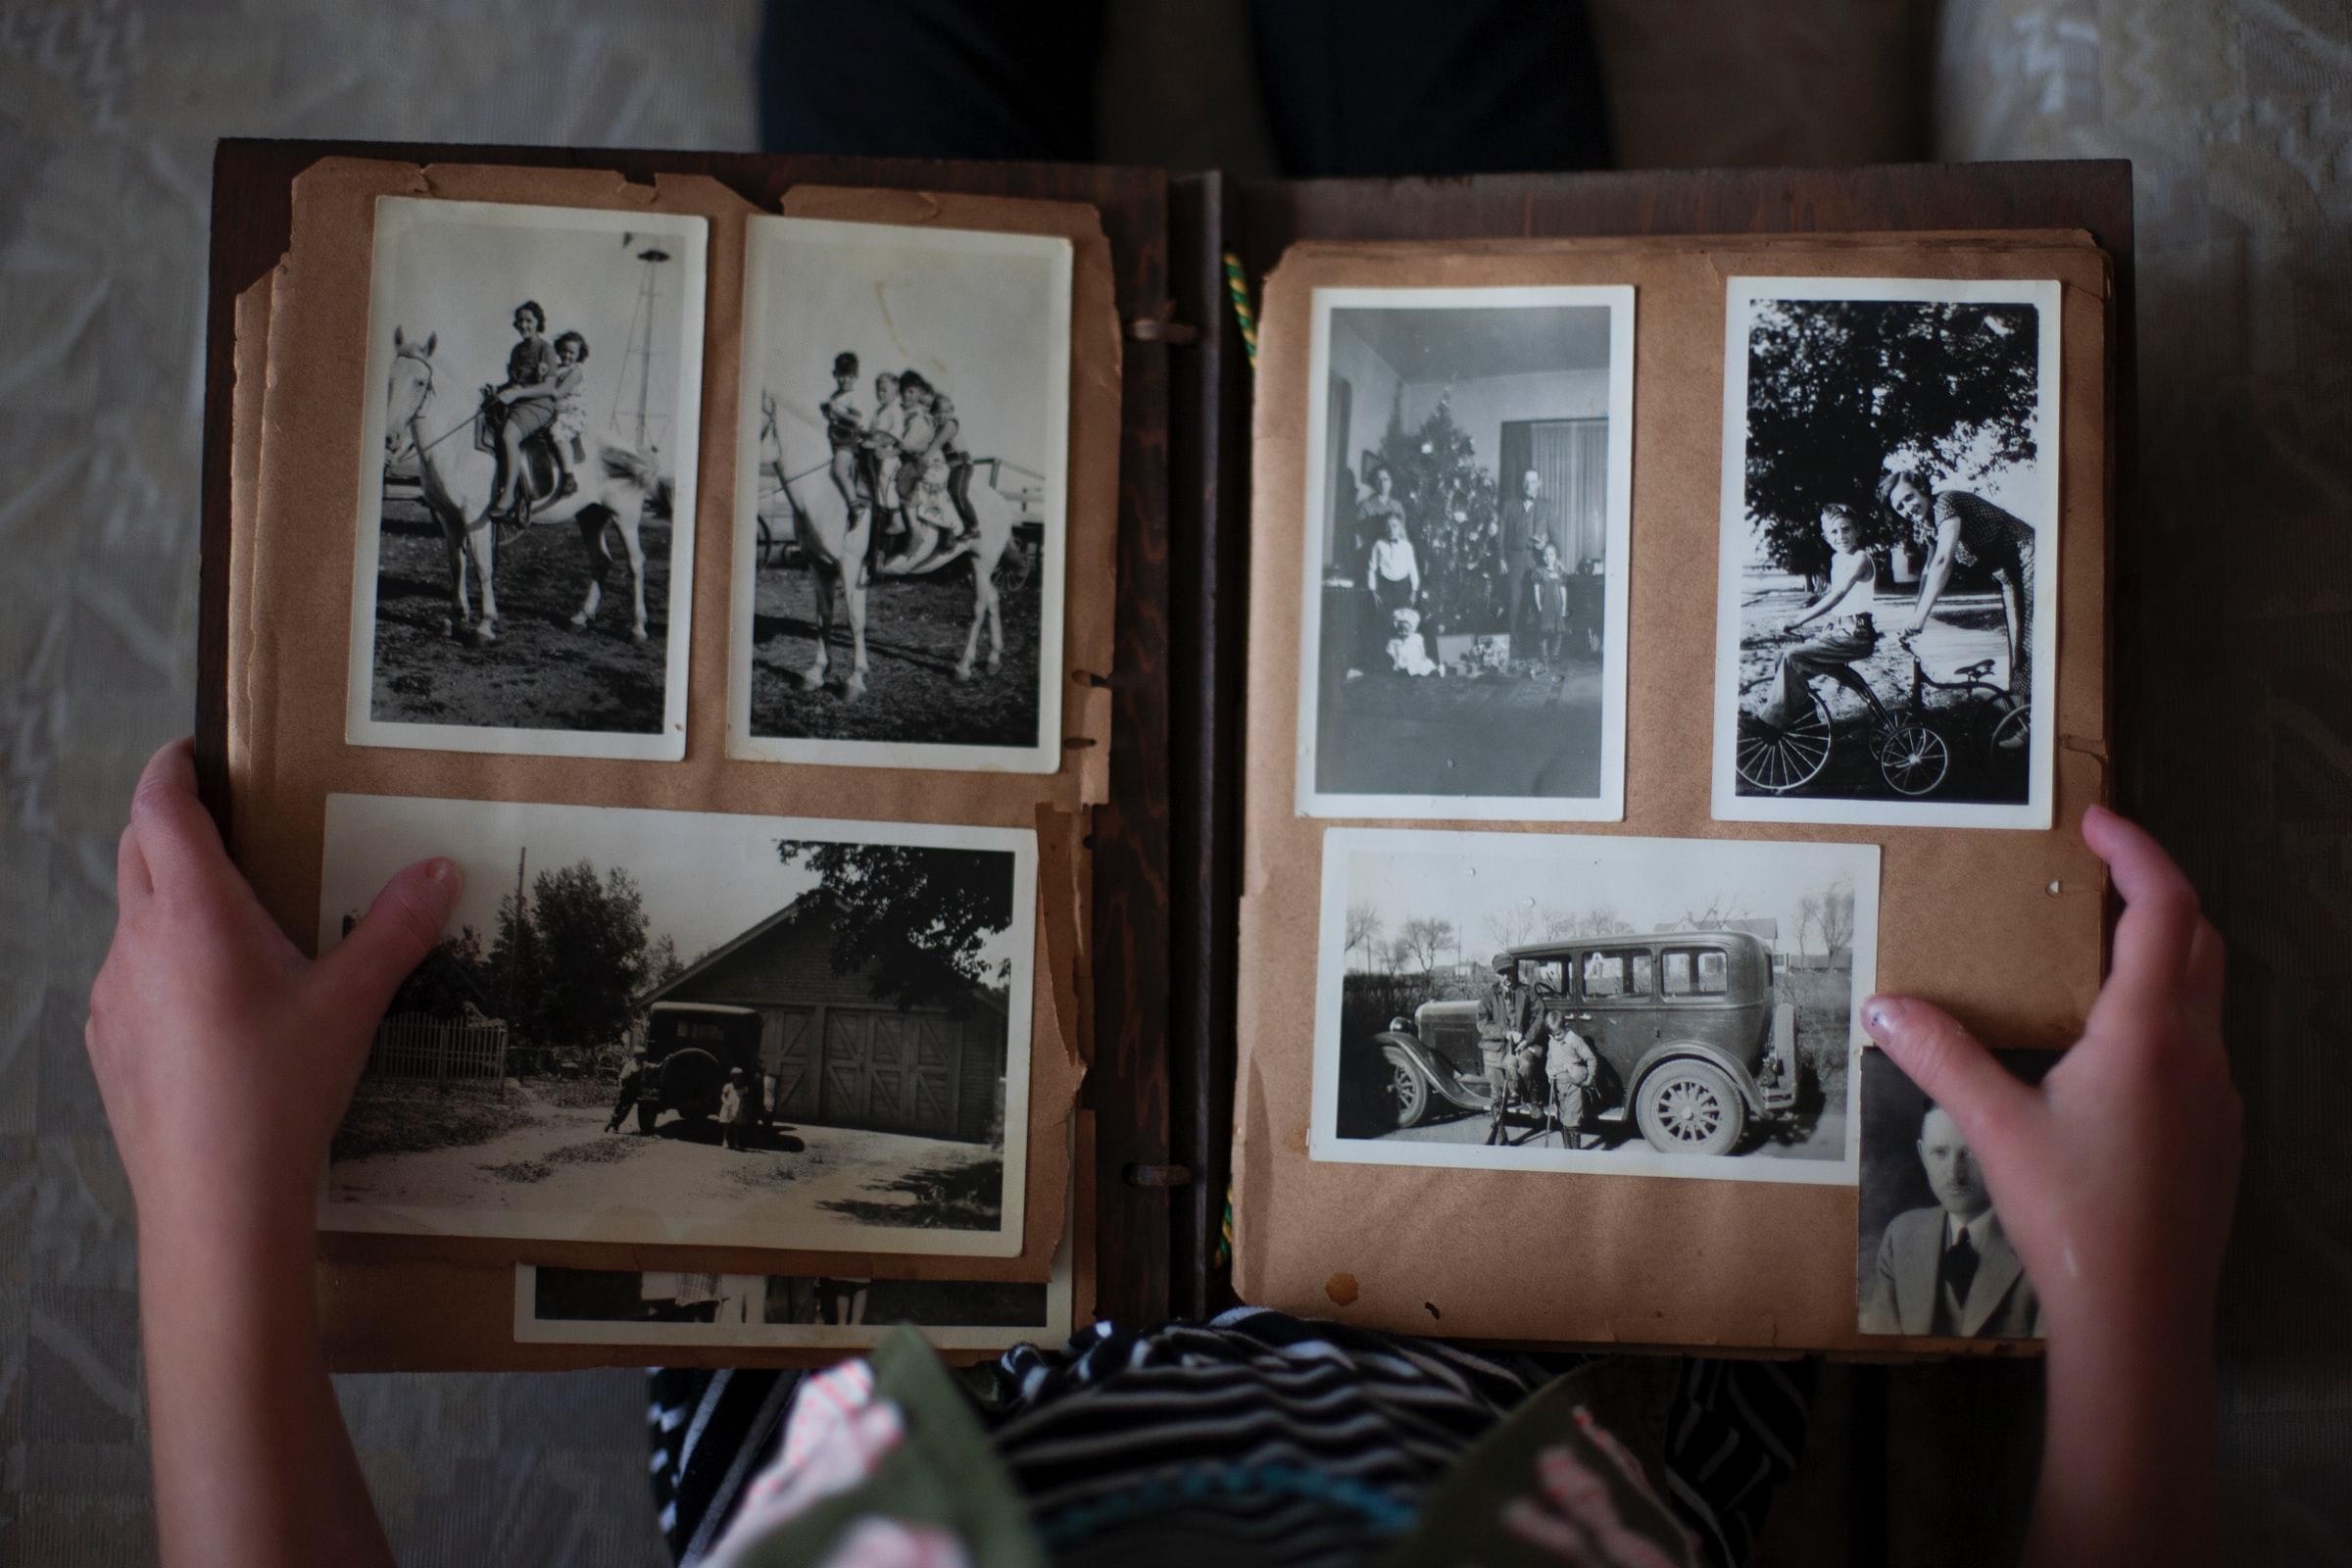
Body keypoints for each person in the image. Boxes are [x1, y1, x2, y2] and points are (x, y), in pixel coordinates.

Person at [84, 739, 2239, 1566]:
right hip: (1533, 1336)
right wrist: (2130, 1316)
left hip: (870, 1357)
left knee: (895, 104)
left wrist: (211, 1210)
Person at [1861, 1102, 2042, 1339]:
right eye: (1939, 1153)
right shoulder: (1901, 1235)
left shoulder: (2041, 1248)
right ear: (1923, 1155)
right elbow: (1880, 1347)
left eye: (1971, 1153)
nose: (1954, 1174)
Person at [1878, 467, 2037, 706]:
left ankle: (2036, 719)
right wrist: (1914, 615)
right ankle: (2026, 721)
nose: (1907, 508)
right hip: (2008, 574)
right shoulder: (1928, 525)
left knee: (2031, 640)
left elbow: (1944, 560)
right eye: (1899, 507)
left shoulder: (1945, 503)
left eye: (1909, 497)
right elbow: (1929, 569)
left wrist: (1921, 617)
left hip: (2030, 556)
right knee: (2018, 646)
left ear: (1921, 489)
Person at [1759, 502, 1884, 727]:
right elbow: (1837, 604)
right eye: (1834, 532)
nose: (1841, 536)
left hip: (1856, 636)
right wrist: (1824, 625)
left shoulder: (1861, 558)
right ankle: (1805, 718)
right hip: (1838, 632)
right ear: (1826, 537)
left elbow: (1838, 595)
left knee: (1792, 656)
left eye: (1847, 529)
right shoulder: (1837, 560)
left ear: (1857, 531)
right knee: (1781, 657)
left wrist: (1797, 620)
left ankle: (1771, 722)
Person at [485, 300, 559, 520]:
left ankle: (508, 496)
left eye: (529, 320)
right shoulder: (517, 350)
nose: (524, 324)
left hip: (540, 404)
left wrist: (516, 393)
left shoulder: (546, 349)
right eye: (520, 321)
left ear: (538, 323)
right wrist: (497, 390)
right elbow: (514, 383)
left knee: (509, 435)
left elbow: (549, 387)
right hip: (518, 402)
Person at [1499, 467, 1553, 646]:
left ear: (1539, 484)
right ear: (1522, 484)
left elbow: (1554, 536)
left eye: (1533, 481)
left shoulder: (1546, 506)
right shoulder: (1509, 505)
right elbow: (1500, 535)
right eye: (1526, 481)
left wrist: (1547, 549)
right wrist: (1501, 558)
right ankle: (1514, 644)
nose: (1529, 485)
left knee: (1537, 601)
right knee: (1515, 601)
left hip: (1537, 561)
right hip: (1515, 559)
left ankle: (1538, 645)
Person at [818, 350, 865, 514]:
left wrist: (836, 412)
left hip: (847, 440)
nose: (845, 380)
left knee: (839, 469)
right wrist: (827, 412)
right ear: (835, 375)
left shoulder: (853, 397)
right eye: (842, 375)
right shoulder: (835, 395)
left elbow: (856, 420)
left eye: (850, 376)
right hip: (834, 437)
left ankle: (855, 505)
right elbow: (833, 417)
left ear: (856, 376)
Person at [546, 329, 590, 499]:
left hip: (569, 413)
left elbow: (558, 393)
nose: (567, 355)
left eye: (572, 352)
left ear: (579, 355)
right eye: (564, 351)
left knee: (557, 433)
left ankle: (568, 477)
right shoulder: (556, 368)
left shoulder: (574, 372)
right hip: (554, 410)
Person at [1364, 511, 1420, 619]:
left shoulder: (1406, 546)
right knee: (1385, 618)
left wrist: (1414, 590)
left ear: (1400, 528)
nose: (1391, 529)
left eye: (1394, 526)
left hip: (1402, 587)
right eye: (1388, 526)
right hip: (1385, 587)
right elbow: (1371, 568)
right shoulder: (1378, 545)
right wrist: (1373, 590)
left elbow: (1412, 568)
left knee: (1402, 618)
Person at [1530, 540, 1570, 663]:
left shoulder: (1560, 572)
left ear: (1556, 556)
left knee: (1559, 632)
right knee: (1544, 632)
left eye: (1551, 554)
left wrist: (1564, 607)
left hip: (1557, 606)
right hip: (1545, 606)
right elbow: (1536, 590)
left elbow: (1563, 590)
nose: (1548, 557)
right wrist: (1538, 605)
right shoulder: (1539, 572)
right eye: (1546, 555)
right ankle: (1544, 656)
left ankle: (1554, 654)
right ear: (1543, 557)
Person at [605, 1050, 648, 1134]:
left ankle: (613, 1123)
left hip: (634, 1091)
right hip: (626, 1089)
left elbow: (652, 1066)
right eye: (640, 1056)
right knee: (619, 1107)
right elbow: (622, 1077)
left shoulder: (643, 1065)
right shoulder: (629, 1065)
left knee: (626, 1109)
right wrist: (620, 1088)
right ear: (636, 1056)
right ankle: (614, 1124)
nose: (642, 1058)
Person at [718, 1067, 753, 1152]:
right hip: (729, 1107)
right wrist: (726, 1102)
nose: (738, 1079)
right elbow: (723, 1095)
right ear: (732, 1077)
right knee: (727, 1124)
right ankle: (725, 1140)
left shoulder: (743, 1088)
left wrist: (745, 1104)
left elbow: (746, 1098)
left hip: (738, 1108)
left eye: (739, 1077)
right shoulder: (729, 1086)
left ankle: (736, 1142)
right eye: (736, 1077)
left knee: (737, 1126)